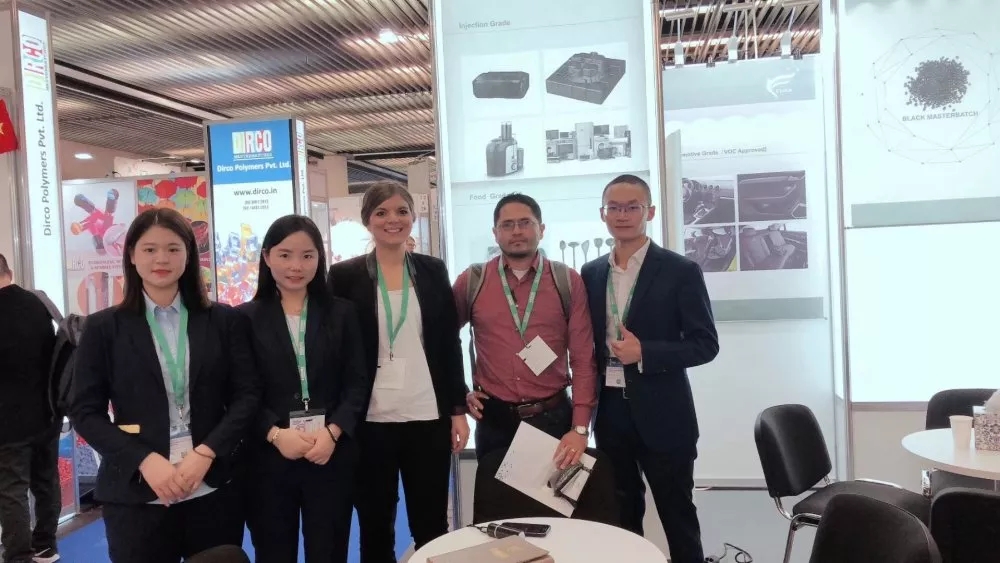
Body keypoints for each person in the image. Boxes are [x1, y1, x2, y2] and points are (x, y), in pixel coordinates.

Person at [68, 208, 261, 563]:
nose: (162, 259)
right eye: (150, 249)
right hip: (137, 493)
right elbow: (84, 411)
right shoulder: (103, 328)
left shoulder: (223, 320)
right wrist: (143, 459)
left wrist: (207, 452)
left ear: (189, 255)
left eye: (173, 249)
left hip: (211, 488)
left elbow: (247, 395)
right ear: (131, 255)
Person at [579, 175, 719, 563]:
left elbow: (705, 344)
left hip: (665, 415)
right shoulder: (591, 273)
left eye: (632, 207)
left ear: (650, 212)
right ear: (603, 214)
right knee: (621, 518)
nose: (622, 215)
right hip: (611, 415)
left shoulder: (680, 270)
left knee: (678, 516)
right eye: (614, 207)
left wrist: (645, 352)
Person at [328, 181, 469, 562]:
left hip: (427, 415)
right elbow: (335, 351)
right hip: (369, 420)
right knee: (375, 524)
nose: (393, 220)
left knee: (431, 523)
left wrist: (457, 409)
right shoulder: (344, 276)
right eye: (382, 212)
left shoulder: (432, 270)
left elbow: (448, 342)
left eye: (402, 211)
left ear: (413, 216)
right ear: (367, 221)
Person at [239, 215, 368, 563]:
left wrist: (333, 432)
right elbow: (241, 390)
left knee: (329, 551)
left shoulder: (342, 313)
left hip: (330, 453)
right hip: (269, 459)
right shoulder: (244, 318)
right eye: (285, 255)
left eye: (307, 256)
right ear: (267, 257)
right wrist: (275, 434)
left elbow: (357, 382)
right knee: (273, 552)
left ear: (319, 259)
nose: (296, 266)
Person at [454, 193, 597, 465]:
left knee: (553, 494)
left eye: (525, 223)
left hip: (553, 419)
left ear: (541, 229)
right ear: (495, 233)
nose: (517, 231)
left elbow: (582, 358)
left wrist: (580, 428)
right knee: (496, 495)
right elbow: (443, 340)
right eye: (507, 225)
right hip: (494, 421)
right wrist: (460, 394)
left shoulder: (566, 281)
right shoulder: (473, 280)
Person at [0, 255, 61, 563]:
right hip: (47, 413)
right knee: (46, 482)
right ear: (9, 272)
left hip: (7, 422)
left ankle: (18, 555)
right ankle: (46, 546)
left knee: (12, 490)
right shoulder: (39, 302)